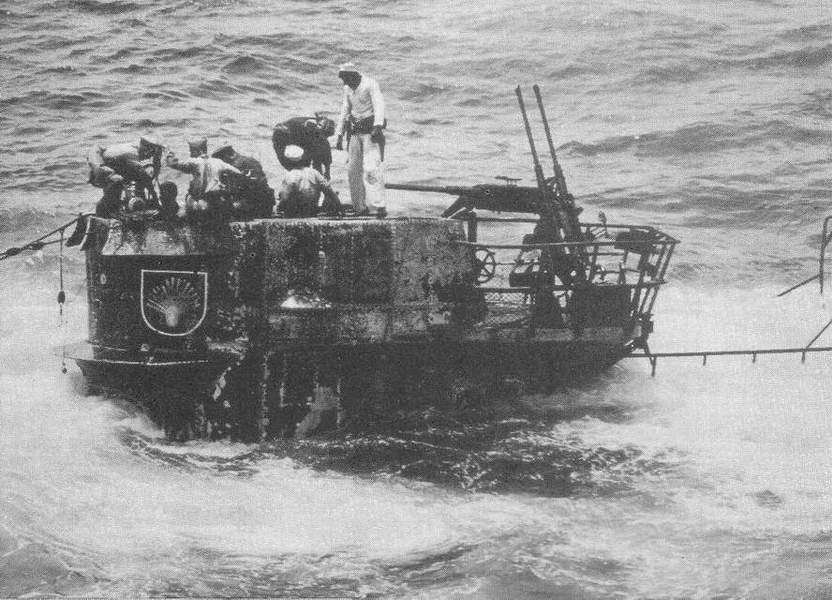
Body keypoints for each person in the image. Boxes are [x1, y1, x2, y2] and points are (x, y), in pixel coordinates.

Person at [333, 62, 386, 217]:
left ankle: (378, 206)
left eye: (345, 78)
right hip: (355, 132)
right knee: (352, 170)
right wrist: (339, 134)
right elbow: (345, 110)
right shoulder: (348, 89)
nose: (344, 82)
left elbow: (379, 105)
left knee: (371, 168)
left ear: (353, 75)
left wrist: (377, 126)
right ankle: (359, 207)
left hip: (370, 132)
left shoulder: (370, 84)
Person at [87, 137, 164, 211]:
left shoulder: (137, 150)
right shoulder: (133, 154)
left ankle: (129, 205)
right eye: (156, 152)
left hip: (114, 164)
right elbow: (144, 176)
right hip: (103, 167)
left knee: (137, 180)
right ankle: (107, 209)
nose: (156, 156)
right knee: (119, 181)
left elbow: (146, 177)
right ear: (149, 150)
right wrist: (156, 201)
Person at [166, 148, 243, 220]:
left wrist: (169, 154)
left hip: (202, 201)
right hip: (217, 198)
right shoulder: (218, 162)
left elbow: (172, 164)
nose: (191, 154)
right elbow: (237, 172)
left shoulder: (194, 161)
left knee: (188, 197)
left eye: (191, 151)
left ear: (198, 151)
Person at [211, 144, 275, 218]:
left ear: (228, 155)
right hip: (256, 202)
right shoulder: (246, 162)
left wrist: (239, 203)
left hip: (256, 204)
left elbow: (257, 188)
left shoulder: (244, 164)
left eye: (222, 160)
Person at [277, 145, 342, 218]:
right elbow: (329, 191)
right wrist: (339, 206)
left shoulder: (289, 176)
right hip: (312, 210)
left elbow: (284, 198)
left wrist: (279, 208)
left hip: (294, 213)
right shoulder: (314, 173)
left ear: (288, 162)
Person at [272, 114, 335, 179]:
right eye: (323, 135)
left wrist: (327, 171)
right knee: (296, 165)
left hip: (300, 137)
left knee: (313, 155)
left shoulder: (318, 133)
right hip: (282, 136)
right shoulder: (308, 127)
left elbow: (325, 150)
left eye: (326, 136)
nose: (324, 138)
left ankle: (315, 180)